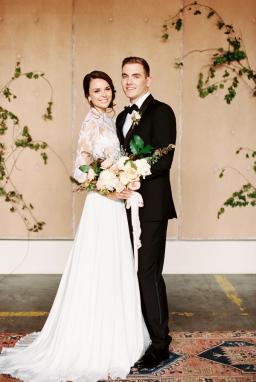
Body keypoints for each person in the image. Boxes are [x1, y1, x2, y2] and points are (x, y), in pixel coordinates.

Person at [0, 70, 150, 382]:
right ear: (88, 96)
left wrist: (126, 175)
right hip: (101, 206)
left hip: (116, 206)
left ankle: (118, 335)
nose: (104, 94)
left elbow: (114, 161)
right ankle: (91, 342)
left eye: (107, 89)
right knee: (97, 269)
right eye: (97, 91)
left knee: (115, 268)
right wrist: (110, 187)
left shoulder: (111, 120)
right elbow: (81, 170)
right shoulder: (91, 122)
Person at [116, 57, 177, 372]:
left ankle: (159, 345)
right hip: (125, 207)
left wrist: (135, 175)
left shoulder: (162, 111)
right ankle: (137, 333)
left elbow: (163, 159)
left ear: (148, 80)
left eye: (135, 76)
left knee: (148, 274)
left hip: (152, 207)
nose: (129, 81)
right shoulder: (120, 118)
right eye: (125, 76)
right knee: (131, 273)